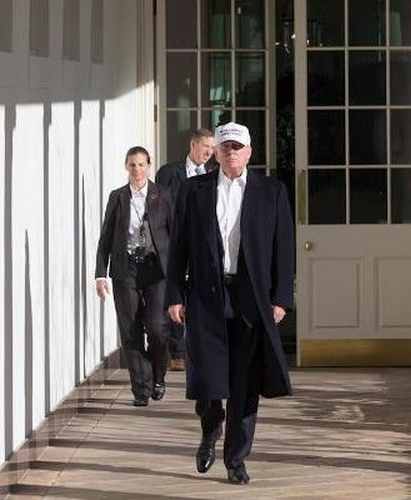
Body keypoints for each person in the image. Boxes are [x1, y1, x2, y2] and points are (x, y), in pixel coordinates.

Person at [165, 122, 294, 485]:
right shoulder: (194, 191)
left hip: (251, 299)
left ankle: (236, 459)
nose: (232, 153)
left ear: (250, 152)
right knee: (206, 376)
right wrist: (174, 294)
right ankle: (210, 427)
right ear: (216, 152)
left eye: (238, 147)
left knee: (244, 381)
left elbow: (283, 249)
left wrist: (282, 298)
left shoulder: (272, 191)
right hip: (206, 295)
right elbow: (178, 248)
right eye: (225, 147)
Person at [95, 146, 172, 407]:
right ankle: (141, 388)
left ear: (149, 166)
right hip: (126, 269)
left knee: (157, 328)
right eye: (132, 165)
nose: (137, 170)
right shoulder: (117, 197)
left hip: (156, 270)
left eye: (141, 164)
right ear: (126, 167)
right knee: (130, 331)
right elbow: (105, 237)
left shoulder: (163, 195)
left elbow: (176, 235)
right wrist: (100, 274)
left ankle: (157, 375)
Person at [155, 129, 216, 371]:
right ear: (193, 144)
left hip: (204, 244)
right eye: (206, 147)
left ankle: (204, 349)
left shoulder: (214, 173)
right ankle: (178, 353)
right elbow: (157, 207)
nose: (209, 153)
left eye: (212, 149)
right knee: (176, 295)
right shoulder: (169, 173)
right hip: (175, 241)